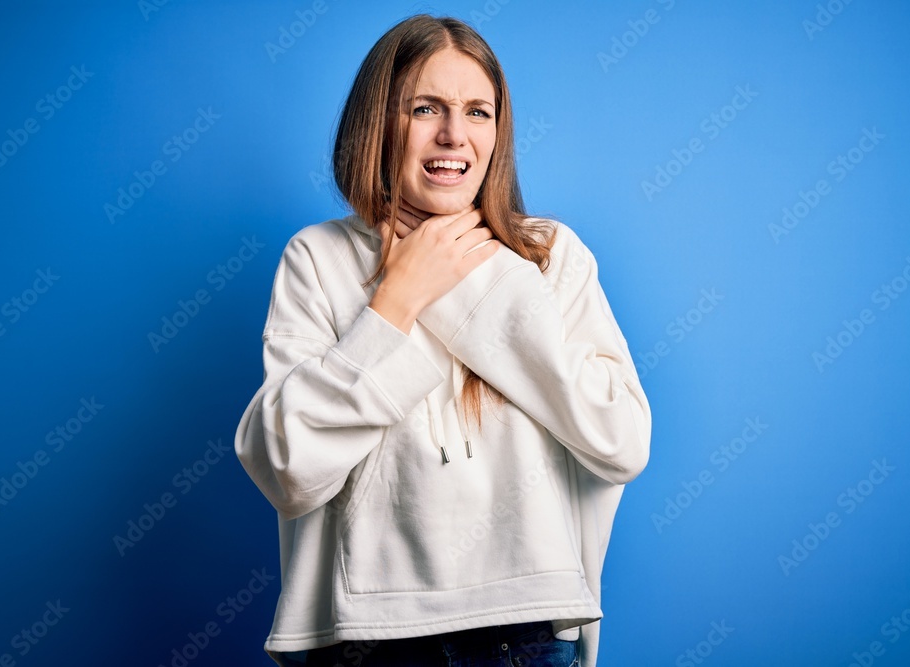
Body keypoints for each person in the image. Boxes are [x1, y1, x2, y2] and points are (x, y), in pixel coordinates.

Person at [235, 14, 651, 667]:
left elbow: (621, 439)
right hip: (365, 638)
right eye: (425, 107)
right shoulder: (318, 258)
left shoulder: (547, 257)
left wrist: (481, 279)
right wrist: (396, 299)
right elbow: (288, 466)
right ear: (379, 122)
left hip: (524, 630)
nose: (454, 134)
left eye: (477, 111)